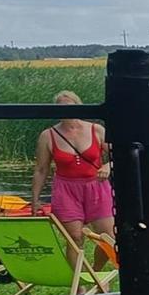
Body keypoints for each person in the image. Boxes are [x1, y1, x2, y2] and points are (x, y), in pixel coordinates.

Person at [32, 90, 115, 262]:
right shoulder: (48, 136)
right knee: (75, 237)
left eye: (69, 107)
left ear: (78, 106)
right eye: (61, 108)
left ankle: (95, 273)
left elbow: (120, 156)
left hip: (96, 186)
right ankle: (78, 279)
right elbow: (41, 169)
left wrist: (107, 165)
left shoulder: (96, 130)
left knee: (108, 236)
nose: (66, 111)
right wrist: (35, 199)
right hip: (66, 190)